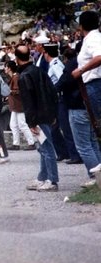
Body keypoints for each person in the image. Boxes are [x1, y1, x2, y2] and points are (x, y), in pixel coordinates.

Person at [15, 44, 59, 192]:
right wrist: (53, 113)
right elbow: (52, 91)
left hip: (38, 117)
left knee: (46, 148)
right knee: (43, 147)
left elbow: (28, 102)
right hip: (46, 113)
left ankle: (52, 180)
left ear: (16, 59)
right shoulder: (39, 70)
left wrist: (31, 122)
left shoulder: (23, 76)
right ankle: (42, 177)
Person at [56, 48, 101, 188]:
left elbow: (63, 82)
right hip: (88, 105)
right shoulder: (90, 66)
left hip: (76, 106)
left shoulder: (74, 64)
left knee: (83, 145)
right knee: (92, 142)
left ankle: (95, 177)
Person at [44, 43, 81, 164]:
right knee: (56, 127)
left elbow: (63, 80)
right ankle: (64, 152)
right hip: (58, 99)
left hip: (60, 99)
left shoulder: (55, 65)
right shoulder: (53, 64)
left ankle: (73, 154)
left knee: (65, 127)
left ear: (46, 53)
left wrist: (55, 90)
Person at [71, 11, 101, 159]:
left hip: (96, 84)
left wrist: (81, 69)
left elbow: (99, 56)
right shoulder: (90, 38)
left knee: (99, 126)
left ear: (81, 25)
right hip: (92, 85)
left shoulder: (93, 38)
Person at [4, 61, 35, 151]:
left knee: (22, 124)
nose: (4, 69)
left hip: (19, 105)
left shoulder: (16, 77)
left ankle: (31, 142)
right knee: (13, 125)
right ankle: (16, 143)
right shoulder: (14, 77)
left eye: (5, 67)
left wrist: (9, 92)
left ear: (9, 68)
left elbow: (19, 91)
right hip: (16, 105)